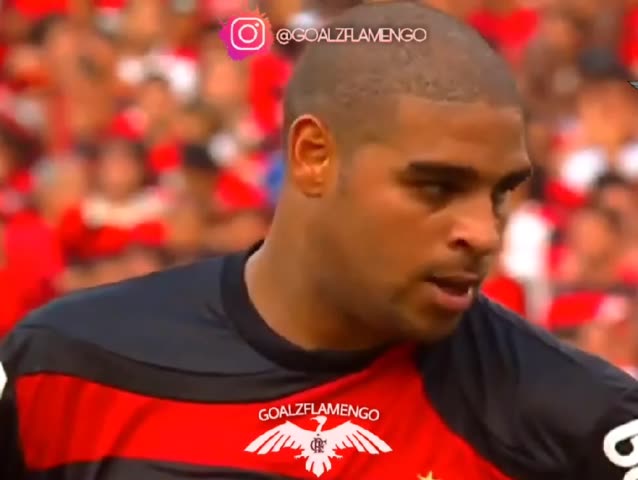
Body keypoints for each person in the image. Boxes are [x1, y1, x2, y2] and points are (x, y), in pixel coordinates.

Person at [2, 2, 638, 479]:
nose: (483, 232)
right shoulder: (62, 371)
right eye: (436, 187)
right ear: (313, 156)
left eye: (500, 193)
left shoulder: (585, 425)